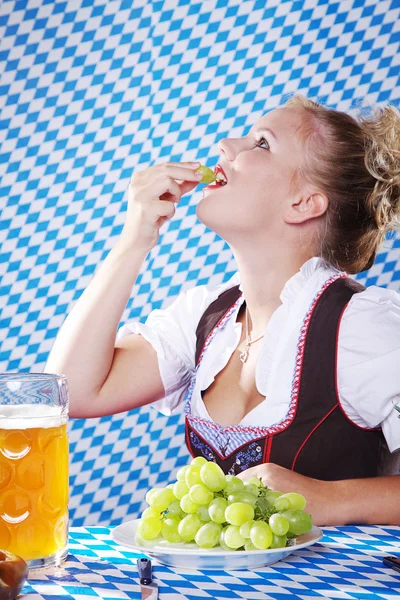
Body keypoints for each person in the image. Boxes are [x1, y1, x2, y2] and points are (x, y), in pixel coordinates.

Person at [45, 94, 400, 526]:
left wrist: (332, 500)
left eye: (261, 143)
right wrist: (134, 239)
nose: (226, 145)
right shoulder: (205, 317)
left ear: (304, 203)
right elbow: (73, 392)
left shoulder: (362, 327)